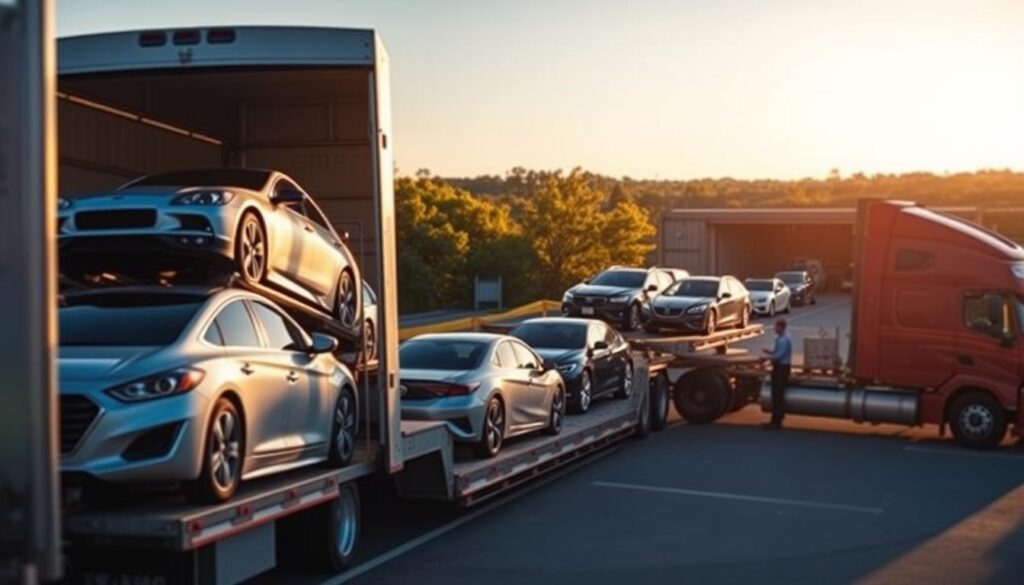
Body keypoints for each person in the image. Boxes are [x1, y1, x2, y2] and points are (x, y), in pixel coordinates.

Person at [761, 318, 792, 430]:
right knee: (776, 393)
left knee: (777, 394)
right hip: (780, 367)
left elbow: (779, 356)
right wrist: (768, 351)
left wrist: (767, 358)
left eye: (776, 327)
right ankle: (776, 418)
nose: (774, 328)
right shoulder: (780, 338)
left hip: (781, 368)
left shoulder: (784, 340)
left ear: (781, 327)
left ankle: (777, 420)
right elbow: (776, 351)